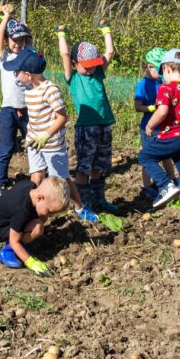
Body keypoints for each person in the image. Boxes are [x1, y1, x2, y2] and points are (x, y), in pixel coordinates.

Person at [16, 50, 101, 224]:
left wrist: (46, 134)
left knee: (62, 180)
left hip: (52, 144)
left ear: (28, 74)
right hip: (34, 141)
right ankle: (32, 210)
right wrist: (33, 135)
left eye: (17, 73)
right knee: (36, 177)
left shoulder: (50, 90)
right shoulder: (28, 89)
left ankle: (79, 208)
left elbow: (62, 117)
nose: (15, 76)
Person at [56, 19, 120, 215]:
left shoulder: (98, 72)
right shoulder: (73, 77)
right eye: (86, 66)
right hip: (86, 128)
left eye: (93, 65)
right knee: (84, 168)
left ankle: (99, 200)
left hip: (104, 126)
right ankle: (83, 205)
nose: (91, 68)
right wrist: (61, 35)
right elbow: (65, 54)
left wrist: (106, 30)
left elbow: (109, 53)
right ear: (75, 64)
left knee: (99, 167)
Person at [139, 49, 180, 232]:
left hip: (172, 137)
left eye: (164, 73)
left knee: (145, 156)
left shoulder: (166, 88)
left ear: (167, 68)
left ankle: (165, 184)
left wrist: (150, 126)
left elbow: (161, 112)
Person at [0, 176, 70, 277]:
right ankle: (6, 251)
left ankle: (20, 243)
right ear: (40, 198)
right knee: (37, 228)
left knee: (38, 223)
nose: (49, 215)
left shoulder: (31, 186)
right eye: (49, 211)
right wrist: (31, 262)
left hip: (8, 217)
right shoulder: (21, 210)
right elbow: (14, 241)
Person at [0, 4, 37, 197]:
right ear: (6, 40)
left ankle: (37, 178)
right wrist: (6, 17)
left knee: (34, 144)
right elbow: (0, 33)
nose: (17, 44)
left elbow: (30, 40)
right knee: (6, 147)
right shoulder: (4, 57)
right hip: (9, 110)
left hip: (28, 109)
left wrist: (23, 28)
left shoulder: (28, 56)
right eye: (13, 40)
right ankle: (0, 184)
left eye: (21, 40)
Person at [134, 48, 176, 200]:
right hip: (149, 128)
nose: (162, 74)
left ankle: (172, 180)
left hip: (164, 126)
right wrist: (152, 107)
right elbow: (137, 107)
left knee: (167, 155)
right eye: (160, 70)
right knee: (149, 156)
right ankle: (147, 186)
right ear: (150, 67)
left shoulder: (161, 83)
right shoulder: (142, 85)